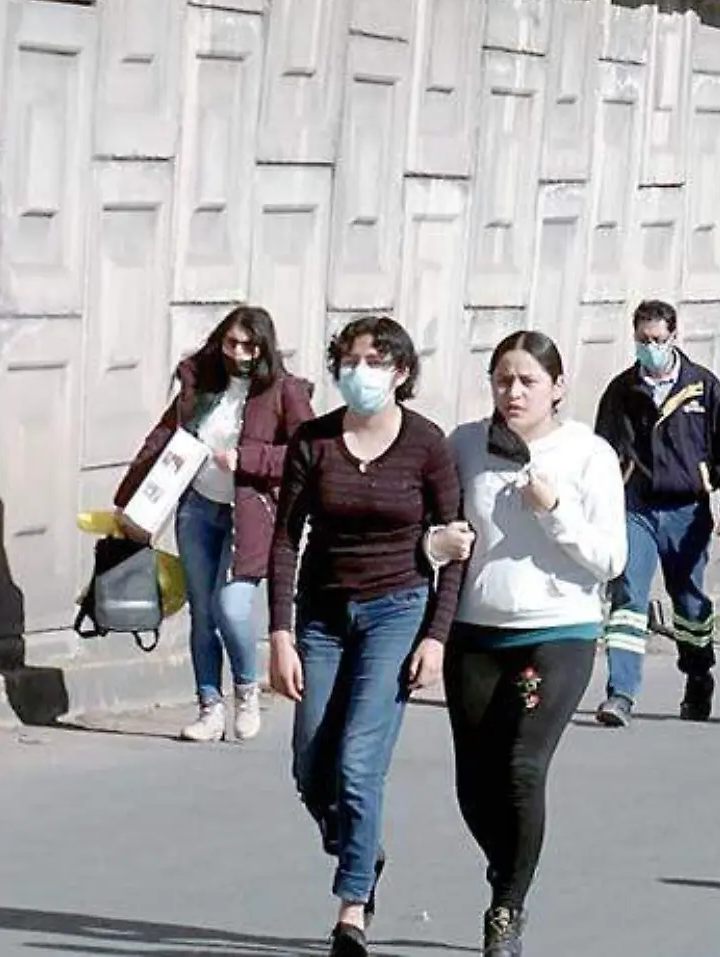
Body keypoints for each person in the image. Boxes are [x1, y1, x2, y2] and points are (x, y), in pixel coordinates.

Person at [267, 316, 466, 957]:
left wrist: (436, 636)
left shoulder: (427, 445)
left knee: (358, 764)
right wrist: (280, 634)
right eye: (350, 360)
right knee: (310, 765)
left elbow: (457, 544)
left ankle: (352, 909)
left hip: (396, 609)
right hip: (322, 615)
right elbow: (284, 542)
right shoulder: (314, 440)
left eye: (375, 362)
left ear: (401, 372)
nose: (360, 373)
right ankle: (361, 845)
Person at [434, 330, 628, 957]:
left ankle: (507, 907)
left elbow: (610, 558)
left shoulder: (587, 453)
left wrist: (556, 510)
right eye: (502, 380)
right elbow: (432, 517)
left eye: (527, 382)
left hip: (558, 630)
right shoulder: (465, 445)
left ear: (557, 388)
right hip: (476, 628)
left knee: (522, 766)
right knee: (475, 782)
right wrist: (439, 542)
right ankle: (510, 863)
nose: (513, 392)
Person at [115, 305, 312, 743]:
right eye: (231, 343)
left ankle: (246, 691)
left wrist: (250, 460)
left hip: (251, 515)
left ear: (264, 347)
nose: (239, 353)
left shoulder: (284, 392)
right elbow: (162, 438)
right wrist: (127, 500)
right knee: (203, 613)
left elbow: (309, 453)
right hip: (198, 508)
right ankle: (209, 707)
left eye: (249, 345)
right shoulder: (200, 384)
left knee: (231, 607)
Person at [591, 300, 720, 726]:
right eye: (644, 340)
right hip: (637, 508)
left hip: (687, 511)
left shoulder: (703, 388)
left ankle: (698, 675)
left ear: (675, 337)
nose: (651, 348)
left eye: (659, 340)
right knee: (628, 597)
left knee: (689, 603)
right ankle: (620, 694)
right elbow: (601, 453)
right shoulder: (621, 391)